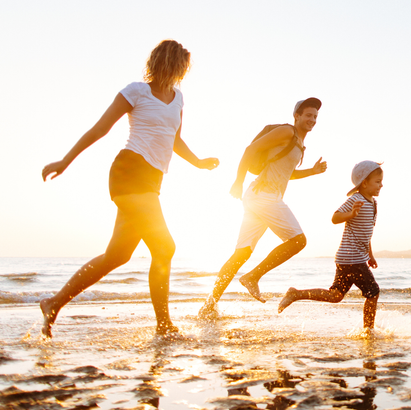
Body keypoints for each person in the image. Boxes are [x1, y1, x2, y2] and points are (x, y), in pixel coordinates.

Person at [41, 40, 219, 337]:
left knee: (117, 256)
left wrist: (198, 163)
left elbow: (174, 139)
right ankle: (164, 325)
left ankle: (54, 302)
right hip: (129, 172)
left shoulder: (178, 99)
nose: (183, 72)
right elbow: (100, 128)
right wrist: (65, 161)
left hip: (152, 181)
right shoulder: (136, 91)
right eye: (181, 65)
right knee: (165, 246)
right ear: (167, 62)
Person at [198, 98, 327, 318]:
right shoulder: (287, 132)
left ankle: (209, 304)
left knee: (241, 254)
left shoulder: (299, 144)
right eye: (308, 115)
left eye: (315, 116)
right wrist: (237, 181)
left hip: (260, 197)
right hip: (264, 195)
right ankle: (253, 277)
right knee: (298, 241)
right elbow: (250, 150)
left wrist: (312, 172)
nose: (312, 120)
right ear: (296, 116)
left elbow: (288, 173)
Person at [278, 160, 383, 331]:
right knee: (373, 292)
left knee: (335, 295)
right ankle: (368, 331)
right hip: (351, 259)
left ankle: (296, 293)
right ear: (364, 183)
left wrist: (370, 255)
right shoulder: (356, 198)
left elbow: (366, 233)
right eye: (377, 182)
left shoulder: (373, 204)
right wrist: (351, 214)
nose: (381, 185)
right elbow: (335, 217)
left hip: (349, 258)